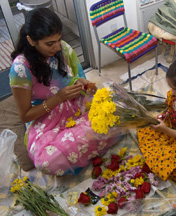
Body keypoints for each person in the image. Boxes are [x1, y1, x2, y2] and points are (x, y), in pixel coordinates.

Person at [9, 8, 124, 176]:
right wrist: (58, 98)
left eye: (59, 39)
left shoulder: (63, 48)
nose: (57, 47)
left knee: (118, 108)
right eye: (50, 43)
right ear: (31, 41)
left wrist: (83, 84)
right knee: (47, 161)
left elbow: (75, 79)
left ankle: (81, 144)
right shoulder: (20, 69)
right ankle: (82, 146)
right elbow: (26, 115)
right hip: (46, 118)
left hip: (74, 103)